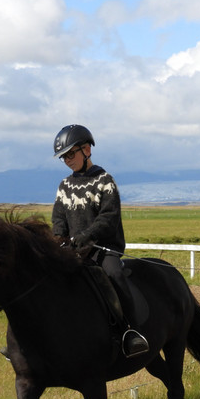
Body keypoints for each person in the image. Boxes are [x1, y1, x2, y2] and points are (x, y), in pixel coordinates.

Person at [50, 124, 149, 357]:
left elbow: (109, 218)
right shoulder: (64, 186)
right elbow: (59, 217)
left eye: (70, 154)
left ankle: (130, 331)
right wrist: (58, 239)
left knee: (114, 274)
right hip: (73, 250)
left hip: (103, 249)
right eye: (63, 157)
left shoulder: (105, 181)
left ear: (87, 150)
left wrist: (86, 236)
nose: (67, 160)